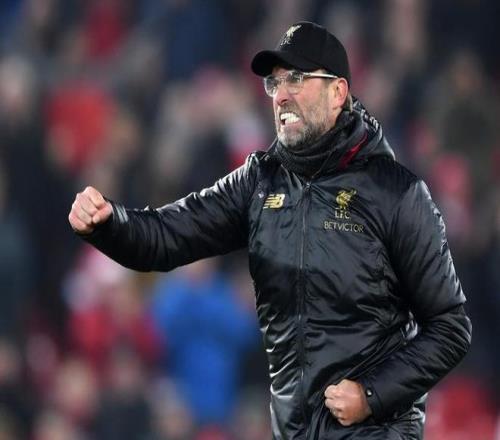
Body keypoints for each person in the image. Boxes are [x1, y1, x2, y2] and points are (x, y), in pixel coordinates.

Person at [68, 21, 471, 440]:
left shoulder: (396, 193)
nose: (280, 95)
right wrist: (110, 223)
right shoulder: (259, 183)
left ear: (338, 93)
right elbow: (168, 236)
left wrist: (372, 394)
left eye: (296, 79)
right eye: (274, 83)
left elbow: (450, 327)